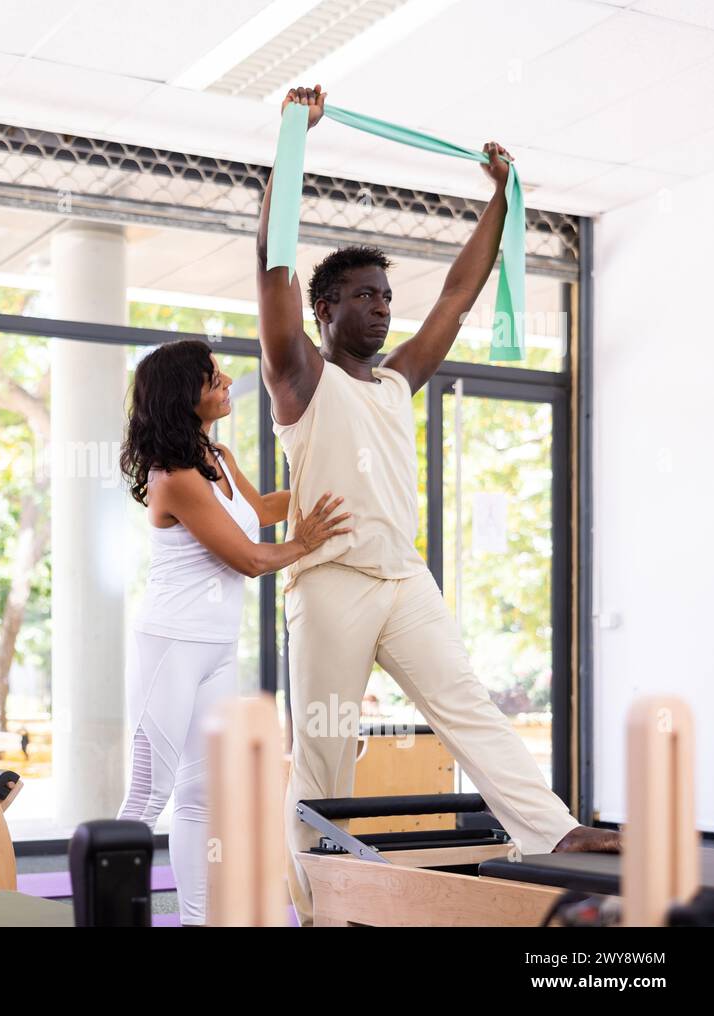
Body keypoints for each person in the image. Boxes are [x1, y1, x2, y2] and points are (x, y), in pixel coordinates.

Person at [256, 84, 620, 925]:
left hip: (401, 581)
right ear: (324, 309)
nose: (383, 307)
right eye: (365, 295)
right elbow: (272, 264)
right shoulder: (298, 377)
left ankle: (553, 832)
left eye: (386, 295)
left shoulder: (393, 383)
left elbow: (457, 295)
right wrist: (288, 146)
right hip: (332, 584)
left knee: (471, 708)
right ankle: (312, 909)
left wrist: (498, 199)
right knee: (323, 756)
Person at [117, 339, 352, 926]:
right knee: (148, 795)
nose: (225, 381)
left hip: (218, 649)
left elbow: (260, 510)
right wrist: (306, 543)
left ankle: (195, 922)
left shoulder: (215, 456)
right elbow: (247, 557)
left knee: (200, 798)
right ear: (181, 395)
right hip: (170, 645)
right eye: (211, 376)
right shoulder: (173, 478)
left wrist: (328, 487)